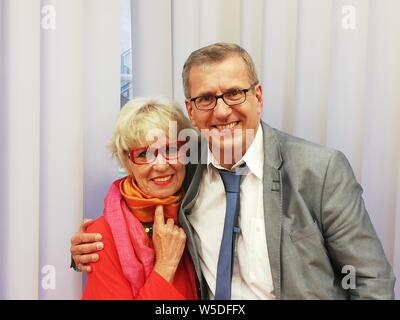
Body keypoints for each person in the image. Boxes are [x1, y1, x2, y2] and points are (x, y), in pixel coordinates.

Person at [71, 43, 395, 299]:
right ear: (191, 111)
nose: (223, 111)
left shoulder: (319, 171)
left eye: (234, 93)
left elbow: (370, 280)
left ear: (258, 96)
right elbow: (137, 191)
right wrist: (88, 247)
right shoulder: (185, 167)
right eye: (207, 99)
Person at [79, 97, 198, 299]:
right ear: (127, 162)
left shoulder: (201, 213)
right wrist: (165, 266)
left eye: (170, 149)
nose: (161, 165)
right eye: (144, 154)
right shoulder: (100, 237)